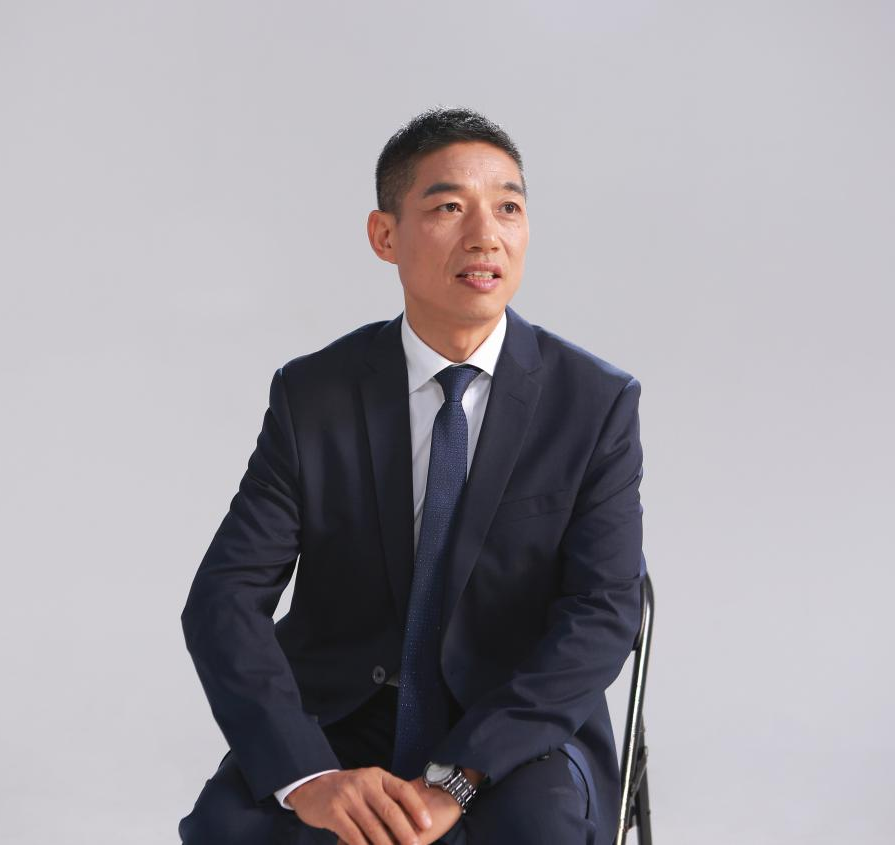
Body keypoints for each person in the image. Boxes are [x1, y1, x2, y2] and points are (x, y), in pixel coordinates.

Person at [178, 107, 646, 844]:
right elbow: (223, 598)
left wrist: (457, 777)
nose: (485, 235)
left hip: (515, 734)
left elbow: (603, 612)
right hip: (344, 717)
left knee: (538, 834)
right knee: (229, 828)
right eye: (449, 207)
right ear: (384, 236)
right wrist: (307, 775)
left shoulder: (592, 402)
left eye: (508, 207)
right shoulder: (314, 394)